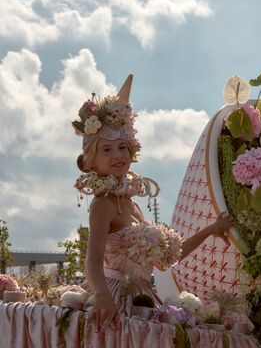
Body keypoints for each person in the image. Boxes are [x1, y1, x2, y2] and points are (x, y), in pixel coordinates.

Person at [73, 75, 234, 337]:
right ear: (92, 161)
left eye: (123, 147)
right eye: (107, 150)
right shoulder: (102, 204)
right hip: (116, 298)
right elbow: (91, 260)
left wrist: (210, 230)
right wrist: (102, 294)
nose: (118, 156)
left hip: (144, 298)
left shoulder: (132, 206)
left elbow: (167, 260)